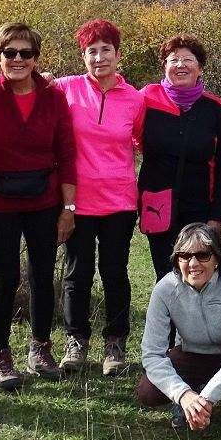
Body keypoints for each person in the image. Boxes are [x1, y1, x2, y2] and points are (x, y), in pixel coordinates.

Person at [0, 23, 77, 389]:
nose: (18, 60)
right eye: (9, 53)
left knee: (42, 275)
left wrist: (69, 208)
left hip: (45, 199)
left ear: (36, 58)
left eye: (25, 53)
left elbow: (66, 153)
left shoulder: (54, 97)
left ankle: (41, 348)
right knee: (6, 276)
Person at [55, 19, 147, 377]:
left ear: (118, 54)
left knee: (115, 272)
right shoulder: (66, 88)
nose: (98, 57)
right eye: (91, 51)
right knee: (77, 273)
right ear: (83, 57)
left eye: (105, 49)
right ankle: (76, 341)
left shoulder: (135, 99)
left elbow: (141, 141)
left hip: (120, 201)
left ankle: (115, 343)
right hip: (76, 201)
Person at [135, 223, 221, 440]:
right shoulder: (164, 289)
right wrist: (183, 395)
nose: (193, 263)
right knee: (147, 392)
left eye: (203, 255)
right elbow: (151, 354)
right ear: (177, 261)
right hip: (190, 353)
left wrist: (206, 399)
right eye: (185, 256)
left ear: (217, 259)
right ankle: (188, 398)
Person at [136, 34, 221, 281]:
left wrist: (218, 216)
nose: (181, 65)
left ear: (200, 68)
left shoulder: (214, 107)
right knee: (166, 276)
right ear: (164, 66)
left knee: (200, 274)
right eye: (173, 60)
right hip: (156, 204)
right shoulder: (146, 98)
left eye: (188, 60)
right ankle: (168, 321)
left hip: (200, 206)